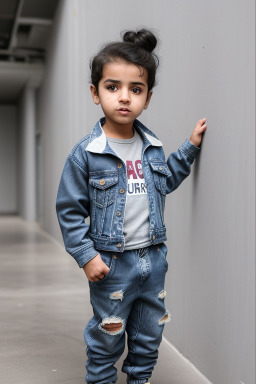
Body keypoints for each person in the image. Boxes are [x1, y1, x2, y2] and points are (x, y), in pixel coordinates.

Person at [56, 28, 207, 384]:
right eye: (113, 87)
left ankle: (140, 379)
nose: (124, 98)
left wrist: (189, 148)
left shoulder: (151, 147)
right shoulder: (86, 154)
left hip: (153, 260)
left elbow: (165, 180)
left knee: (148, 337)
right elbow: (69, 209)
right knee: (107, 337)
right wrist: (86, 255)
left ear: (147, 98)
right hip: (112, 263)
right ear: (96, 93)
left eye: (135, 90)